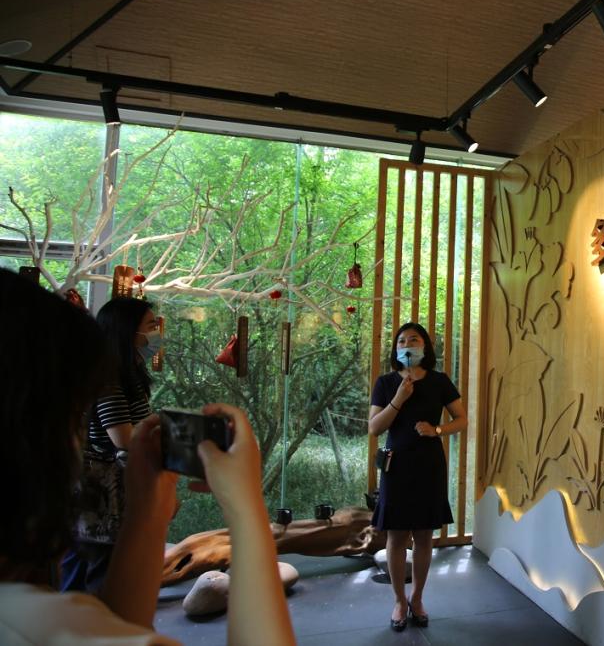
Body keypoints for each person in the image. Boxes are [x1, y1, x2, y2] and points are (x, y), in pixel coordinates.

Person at [0, 268, 295, 645]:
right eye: (71, 418)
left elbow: (117, 628)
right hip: (106, 508)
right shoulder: (44, 627)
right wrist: (245, 506)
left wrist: (147, 512)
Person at [368, 322, 468, 631]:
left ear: (425, 346)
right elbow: (374, 427)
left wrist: (437, 429)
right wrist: (399, 398)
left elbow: (461, 420)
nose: (407, 344)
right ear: (395, 348)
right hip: (396, 467)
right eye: (401, 340)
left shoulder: (439, 381)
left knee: (424, 535)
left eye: (414, 339)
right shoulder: (386, 383)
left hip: (429, 466)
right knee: (397, 536)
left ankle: (418, 598)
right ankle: (399, 601)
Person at [61, 296, 160, 593]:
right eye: (151, 325)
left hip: (108, 493)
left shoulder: (128, 375)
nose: (157, 333)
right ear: (127, 330)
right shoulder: (109, 379)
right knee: (95, 578)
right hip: (102, 497)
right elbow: (123, 439)